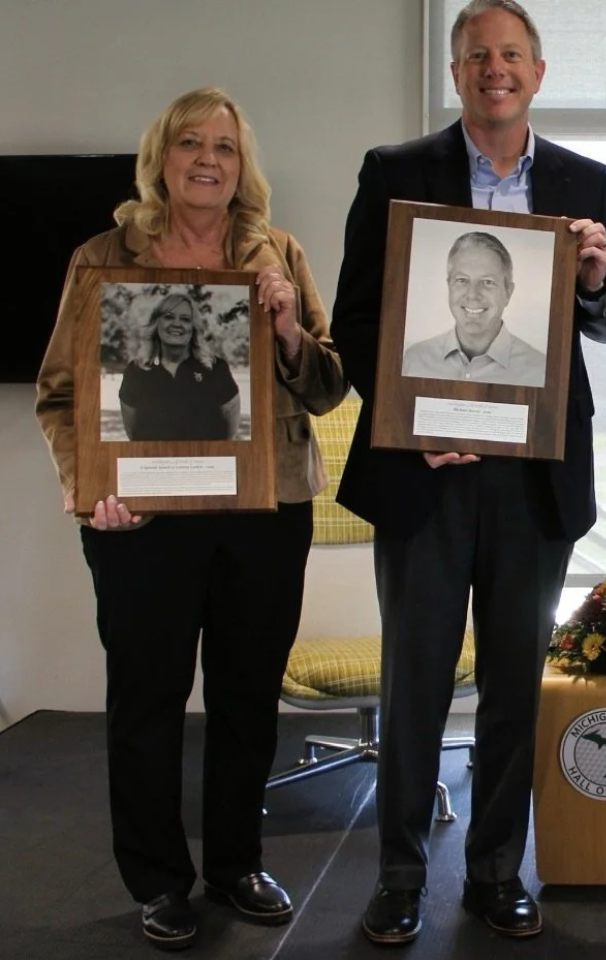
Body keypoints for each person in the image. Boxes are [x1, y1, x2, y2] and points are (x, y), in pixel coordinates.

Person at [330, 0, 606, 945]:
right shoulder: (395, 172)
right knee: (414, 680)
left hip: (534, 474)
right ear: (455, 72)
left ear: (537, 72)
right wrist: (407, 420)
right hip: (423, 469)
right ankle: (400, 875)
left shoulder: (585, 179)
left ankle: (498, 871)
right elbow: (357, 321)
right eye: (476, 57)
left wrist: (594, 278)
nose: (493, 70)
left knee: (514, 683)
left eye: (510, 56)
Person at [34, 86, 347, 951]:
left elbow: (328, 386)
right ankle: (158, 880)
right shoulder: (102, 257)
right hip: (141, 519)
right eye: (190, 144)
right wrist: (84, 487)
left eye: (225, 146)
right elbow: (62, 395)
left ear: (243, 167)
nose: (208, 159)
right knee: (148, 699)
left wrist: (286, 327)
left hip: (264, 508)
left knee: (248, 696)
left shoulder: (276, 251)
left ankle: (238, 863)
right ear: (160, 158)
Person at [401, 230, 546, 385]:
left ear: (508, 292)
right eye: (462, 280)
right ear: (449, 286)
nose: (472, 294)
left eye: (487, 282)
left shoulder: (539, 370)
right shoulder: (413, 361)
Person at [118, 291, 243, 440]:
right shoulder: (136, 371)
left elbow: (231, 432)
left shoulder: (216, 369)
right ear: (156, 323)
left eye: (185, 319)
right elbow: (133, 432)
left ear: (194, 327)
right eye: (168, 317)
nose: (176, 324)